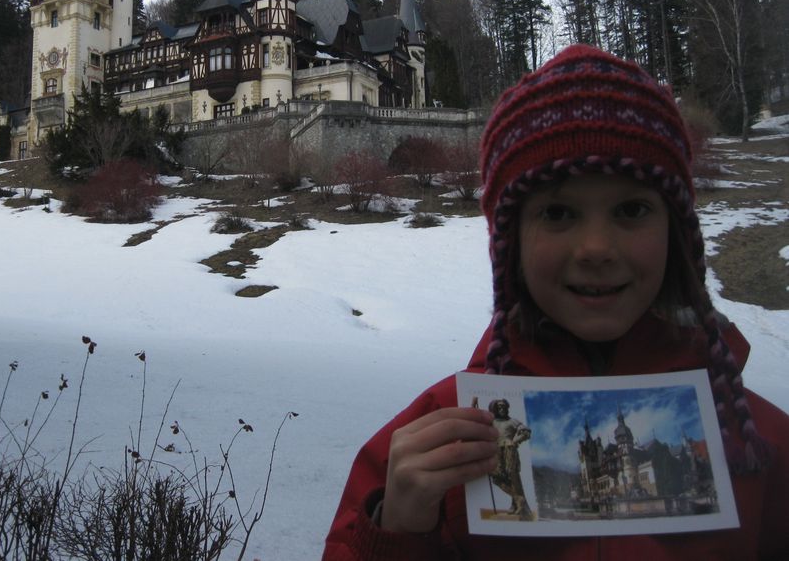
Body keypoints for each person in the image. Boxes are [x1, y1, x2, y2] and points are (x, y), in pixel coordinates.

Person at [323, 44, 789, 560]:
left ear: (677, 234)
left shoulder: (762, 447)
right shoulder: (439, 439)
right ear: (510, 244)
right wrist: (396, 533)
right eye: (559, 213)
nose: (595, 248)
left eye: (631, 209)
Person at [486, 399, 532, 520]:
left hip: (509, 450)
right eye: (499, 407)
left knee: (512, 477)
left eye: (503, 406)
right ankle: (518, 499)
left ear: (507, 408)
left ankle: (518, 506)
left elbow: (526, 432)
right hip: (496, 451)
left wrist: (515, 441)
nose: (501, 409)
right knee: (496, 477)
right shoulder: (492, 421)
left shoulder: (513, 421)